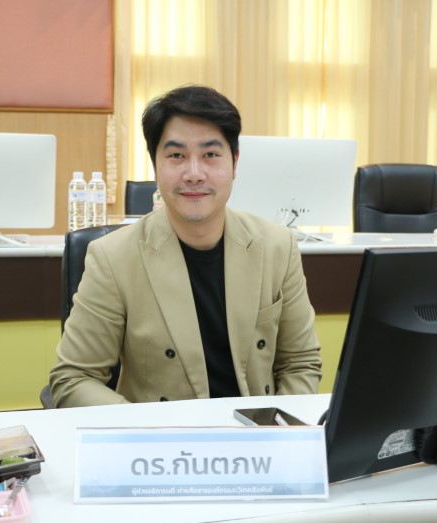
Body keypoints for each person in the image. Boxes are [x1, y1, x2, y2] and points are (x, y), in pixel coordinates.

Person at [49, 84, 322, 407]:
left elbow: (300, 364)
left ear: (234, 162)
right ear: (155, 165)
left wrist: (279, 427)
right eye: (176, 155)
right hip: (158, 435)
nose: (194, 174)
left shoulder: (277, 246)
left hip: (258, 432)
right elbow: (74, 378)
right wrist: (144, 429)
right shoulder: (113, 257)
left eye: (210, 155)